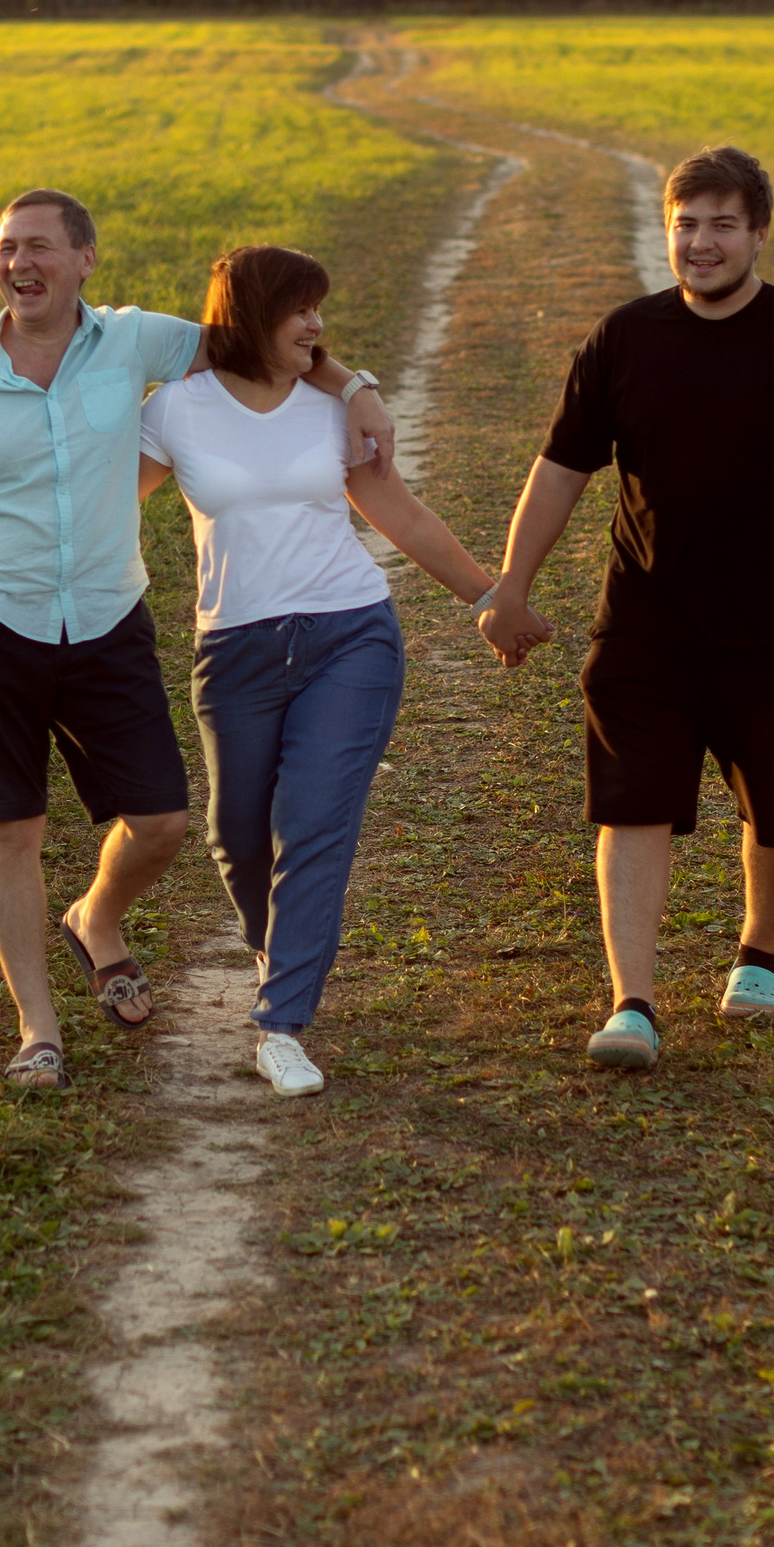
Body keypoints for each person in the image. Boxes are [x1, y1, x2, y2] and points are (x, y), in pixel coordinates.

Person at [0, 190, 396, 1092]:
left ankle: (97, 918)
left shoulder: (135, 342)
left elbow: (265, 344)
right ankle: (37, 1028)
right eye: (8, 249)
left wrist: (354, 386)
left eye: (40, 247)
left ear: (86, 258)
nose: (21, 264)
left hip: (103, 622)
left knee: (162, 822)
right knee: (11, 833)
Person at [478, 145, 774, 1071]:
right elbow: (560, 472)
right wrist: (512, 586)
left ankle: (759, 956)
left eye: (721, 225)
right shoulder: (626, 338)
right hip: (646, 620)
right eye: (686, 224)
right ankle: (634, 1003)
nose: (701, 244)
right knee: (634, 803)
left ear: (759, 234)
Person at [138, 246, 532, 1096]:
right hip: (234, 647)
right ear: (248, 316)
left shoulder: (329, 408)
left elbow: (398, 511)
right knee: (236, 837)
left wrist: (489, 598)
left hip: (348, 635)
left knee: (312, 822)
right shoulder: (175, 411)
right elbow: (98, 508)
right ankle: (281, 953)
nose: (316, 325)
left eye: (320, 308)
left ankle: (281, 1023)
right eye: (298, 308)